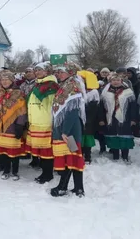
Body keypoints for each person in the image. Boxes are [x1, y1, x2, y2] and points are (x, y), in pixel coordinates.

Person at [51, 63, 85, 197]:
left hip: (69, 132)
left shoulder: (72, 87)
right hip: (65, 129)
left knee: (71, 158)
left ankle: (63, 187)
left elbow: (72, 111)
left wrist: (65, 131)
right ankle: (78, 187)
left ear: (70, 73)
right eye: (58, 72)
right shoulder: (65, 86)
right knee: (71, 157)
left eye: (62, 72)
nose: (59, 74)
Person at [0, 70, 27, 181]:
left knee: (13, 151)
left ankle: (15, 171)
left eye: (7, 79)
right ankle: (6, 170)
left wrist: (20, 125)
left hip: (12, 126)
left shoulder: (18, 93)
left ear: (12, 80)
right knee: (4, 151)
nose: (5, 82)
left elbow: (22, 110)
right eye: (3, 80)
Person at [25, 62, 59, 183]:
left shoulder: (51, 86)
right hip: (36, 122)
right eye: (36, 70)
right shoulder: (38, 84)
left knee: (46, 151)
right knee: (40, 150)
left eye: (40, 70)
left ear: (47, 72)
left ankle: (48, 174)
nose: (37, 72)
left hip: (45, 122)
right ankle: (44, 172)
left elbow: (53, 105)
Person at [99, 74, 136, 163]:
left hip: (125, 118)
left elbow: (133, 106)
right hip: (111, 118)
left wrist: (134, 119)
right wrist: (101, 119)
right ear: (110, 81)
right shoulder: (105, 92)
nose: (116, 82)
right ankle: (115, 156)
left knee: (124, 137)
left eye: (118, 80)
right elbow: (101, 107)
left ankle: (125, 156)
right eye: (113, 80)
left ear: (121, 81)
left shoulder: (128, 92)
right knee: (114, 137)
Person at [78, 70, 100, 164]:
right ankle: (80, 154)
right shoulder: (79, 91)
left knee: (87, 139)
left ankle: (87, 156)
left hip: (89, 120)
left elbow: (93, 109)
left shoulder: (93, 93)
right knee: (80, 138)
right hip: (79, 119)